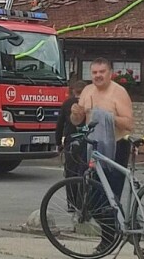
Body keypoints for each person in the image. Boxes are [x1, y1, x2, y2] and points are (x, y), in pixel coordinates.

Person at [69, 57, 134, 252]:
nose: (98, 76)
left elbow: (129, 124)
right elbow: (77, 121)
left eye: (102, 72)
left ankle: (109, 238)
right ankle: (114, 232)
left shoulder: (119, 92)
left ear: (110, 73)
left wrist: (106, 116)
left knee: (109, 196)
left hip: (116, 146)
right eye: (94, 72)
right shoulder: (87, 91)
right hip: (92, 147)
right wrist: (77, 113)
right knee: (87, 193)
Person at [56, 80, 87, 208]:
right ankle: (83, 203)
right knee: (84, 173)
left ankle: (71, 203)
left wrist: (58, 143)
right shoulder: (89, 103)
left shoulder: (67, 103)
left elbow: (59, 124)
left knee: (70, 173)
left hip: (71, 142)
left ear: (73, 91)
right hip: (86, 141)